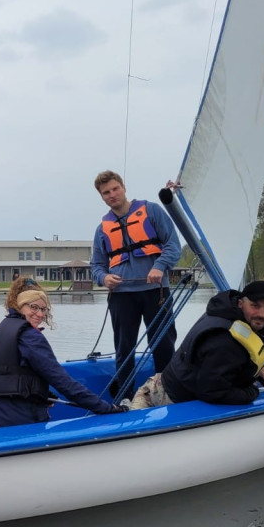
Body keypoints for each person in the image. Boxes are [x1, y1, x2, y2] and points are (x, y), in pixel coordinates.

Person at [89, 170, 182, 401]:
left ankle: (166, 393)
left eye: (115, 189)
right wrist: (104, 278)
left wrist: (159, 266)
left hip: (155, 291)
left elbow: (173, 245)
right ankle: (125, 397)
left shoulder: (151, 211)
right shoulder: (102, 229)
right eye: (106, 193)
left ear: (123, 187)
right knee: (124, 349)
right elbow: (97, 266)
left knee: (162, 345)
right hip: (122, 295)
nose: (112, 195)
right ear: (101, 197)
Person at [0, 288, 122, 429]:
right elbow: (62, 381)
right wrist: (104, 407)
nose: (39, 314)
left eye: (43, 309)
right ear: (20, 306)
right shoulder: (29, 336)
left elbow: (10, 374)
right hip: (17, 422)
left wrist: (43, 393)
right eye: (34, 307)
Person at [129, 280, 264, 409]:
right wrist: (252, 392)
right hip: (162, 397)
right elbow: (212, 391)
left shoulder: (228, 313)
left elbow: (241, 353)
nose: (262, 314)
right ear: (240, 303)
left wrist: (259, 368)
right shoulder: (223, 341)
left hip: (175, 385)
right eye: (255, 306)